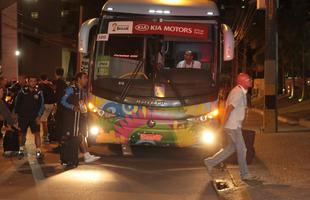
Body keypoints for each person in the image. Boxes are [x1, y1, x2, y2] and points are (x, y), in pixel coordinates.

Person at [203, 73, 257, 181]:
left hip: (233, 125)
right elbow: (228, 109)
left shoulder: (239, 91)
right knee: (242, 149)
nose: (250, 80)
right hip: (233, 126)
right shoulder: (238, 93)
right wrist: (222, 126)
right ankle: (244, 174)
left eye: (250, 79)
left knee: (231, 148)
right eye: (248, 79)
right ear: (241, 82)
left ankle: (209, 162)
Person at [61, 72, 100, 163]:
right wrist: (73, 107)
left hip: (81, 116)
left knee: (83, 134)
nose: (86, 80)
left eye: (86, 78)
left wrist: (85, 112)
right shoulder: (71, 89)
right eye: (84, 78)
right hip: (73, 118)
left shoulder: (82, 90)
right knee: (78, 135)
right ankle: (84, 155)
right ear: (78, 79)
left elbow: (82, 103)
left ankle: (87, 155)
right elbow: (62, 101)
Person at [14, 76, 45, 159]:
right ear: (28, 82)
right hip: (23, 117)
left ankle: (38, 151)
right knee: (22, 134)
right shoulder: (22, 91)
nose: (33, 82)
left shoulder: (39, 92)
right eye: (31, 81)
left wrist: (38, 116)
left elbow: (42, 106)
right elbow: (17, 104)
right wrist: (16, 115)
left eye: (34, 81)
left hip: (34, 117)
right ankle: (21, 150)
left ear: (36, 82)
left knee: (37, 134)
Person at [38, 74, 56, 144]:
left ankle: (46, 136)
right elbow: (54, 96)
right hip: (52, 105)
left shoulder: (41, 86)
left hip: (45, 105)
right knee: (47, 120)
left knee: (44, 121)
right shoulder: (50, 86)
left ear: (41, 79)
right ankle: (47, 135)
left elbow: (41, 97)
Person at [52, 68, 67, 150]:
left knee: (59, 126)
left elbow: (57, 96)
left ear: (56, 73)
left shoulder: (58, 83)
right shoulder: (64, 83)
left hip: (59, 107)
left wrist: (55, 105)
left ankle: (60, 145)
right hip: (64, 107)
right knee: (62, 126)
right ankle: (62, 144)